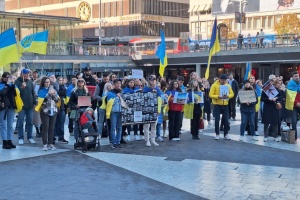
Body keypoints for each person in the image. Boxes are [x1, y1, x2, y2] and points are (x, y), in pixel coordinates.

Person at [35, 77, 60, 151]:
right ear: (43, 83)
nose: (48, 83)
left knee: (52, 128)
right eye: (46, 82)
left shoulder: (53, 90)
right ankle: (45, 144)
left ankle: (50, 143)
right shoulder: (41, 90)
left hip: (53, 110)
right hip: (45, 111)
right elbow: (42, 101)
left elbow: (57, 100)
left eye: (49, 82)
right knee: (45, 128)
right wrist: (49, 94)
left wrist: (54, 95)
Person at [15, 68, 36, 145]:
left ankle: (30, 137)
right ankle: (20, 137)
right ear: (21, 74)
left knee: (30, 122)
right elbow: (16, 94)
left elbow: (33, 93)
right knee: (20, 122)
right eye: (26, 73)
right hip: (21, 106)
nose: (27, 75)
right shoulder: (17, 82)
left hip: (30, 105)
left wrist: (34, 102)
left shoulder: (30, 82)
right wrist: (22, 88)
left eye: (28, 74)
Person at [209, 74, 234, 140]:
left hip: (225, 104)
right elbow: (210, 94)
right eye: (222, 80)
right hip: (217, 104)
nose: (224, 81)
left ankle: (226, 134)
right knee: (217, 120)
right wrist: (218, 96)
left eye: (225, 80)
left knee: (226, 120)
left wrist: (228, 96)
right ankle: (217, 134)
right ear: (219, 79)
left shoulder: (228, 85)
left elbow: (232, 94)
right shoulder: (214, 85)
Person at [142, 75, 162, 146]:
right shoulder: (145, 88)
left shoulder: (158, 89)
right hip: (147, 110)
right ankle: (147, 140)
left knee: (154, 126)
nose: (153, 81)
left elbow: (160, 100)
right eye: (151, 80)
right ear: (149, 81)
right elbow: (143, 98)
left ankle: (153, 139)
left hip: (154, 110)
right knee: (146, 126)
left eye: (154, 80)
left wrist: (158, 110)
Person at [0, 72, 17, 149]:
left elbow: (15, 94)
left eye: (9, 77)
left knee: (10, 125)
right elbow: (2, 93)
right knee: (3, 124)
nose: (7, 79)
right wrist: (8, 86)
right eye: (6, 77)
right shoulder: (1, 85)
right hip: (3, 106)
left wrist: (12, 86)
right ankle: (4, 141)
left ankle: (9, 140)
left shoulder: (11, 85)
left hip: (11, 106)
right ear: (3, 78)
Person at [106, 79, 123, 148]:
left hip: (121, 112)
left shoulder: (122, 92)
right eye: (117, 83)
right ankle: (113, 142)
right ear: (114, 84)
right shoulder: (110, 93)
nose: (118, 85)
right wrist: (117, 97)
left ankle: (118, 141)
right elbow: (110, 101)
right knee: (113, 127)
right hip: (113, 112)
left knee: (119, 127)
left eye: (119, 83)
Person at [286, 71, 300, 141]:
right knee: (294, 121)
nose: (297, 77)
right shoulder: (290, 85)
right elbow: (290, 97)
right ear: (292, 77)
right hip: (294, 105)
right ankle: (294, 137)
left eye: (298, 76)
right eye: (295, 76)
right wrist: (296, 103)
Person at [54, 76, 68, 143]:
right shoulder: (55, 86)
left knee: (61, 123)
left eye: (62, 80)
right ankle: (53, 137)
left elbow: (65, 93)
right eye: (59, 80)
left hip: (62, 107)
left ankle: (61, 137)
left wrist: (60, 92)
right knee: (54, 123)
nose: (61, 81)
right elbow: (56, 93)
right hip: (55, 107)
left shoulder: (64, 87)